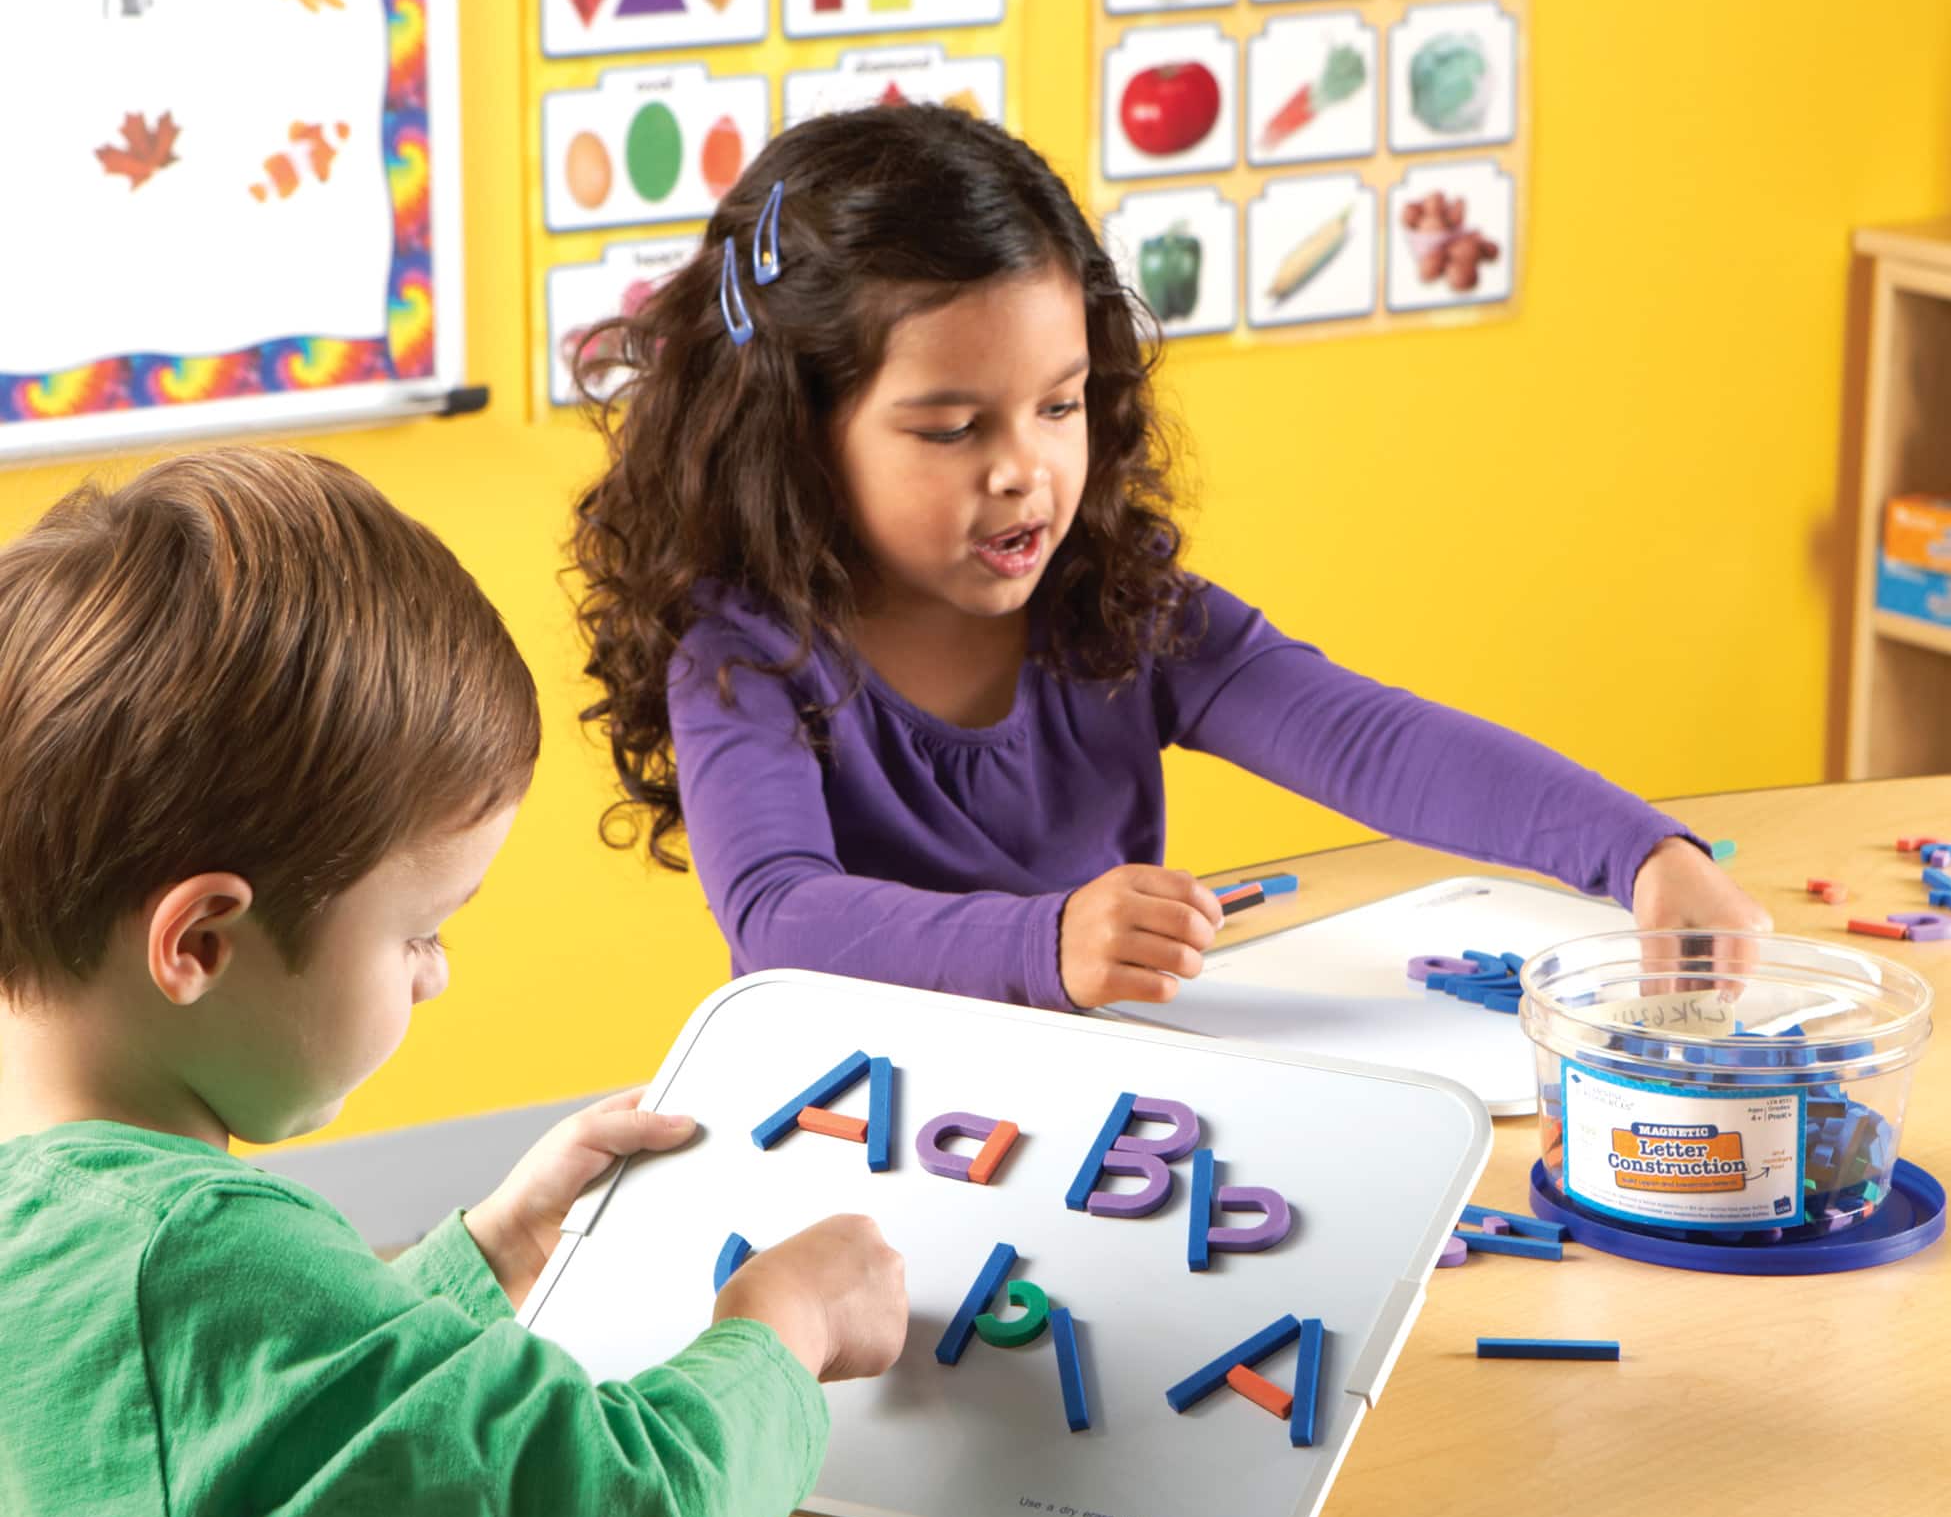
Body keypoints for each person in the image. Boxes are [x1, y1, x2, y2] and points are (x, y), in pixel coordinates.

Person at [0, 448, 906, 1517]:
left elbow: (264, 1435)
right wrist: (780, 1334)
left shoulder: (56, 1209)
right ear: (200, 943)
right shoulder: (212, 1262)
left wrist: (479, 1255)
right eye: (417, 930)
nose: (435, 979)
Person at [568, 105, 1767, 1010]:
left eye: (1058, 405)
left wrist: (1641, 852)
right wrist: (1042, 942)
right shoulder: (747, 656)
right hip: (845, 1124)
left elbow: (1366, 734)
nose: (1022, 469)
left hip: (1100, 1104)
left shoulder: (1115, 608)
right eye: (950, 427)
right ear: (791, 428)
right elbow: (781, 915)